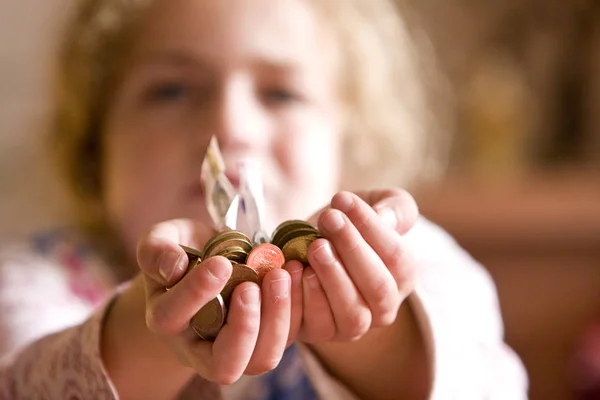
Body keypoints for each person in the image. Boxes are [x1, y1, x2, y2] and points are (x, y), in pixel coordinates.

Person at [0, 0, 528, 398]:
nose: (230, 126)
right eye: (172, 90)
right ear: (95, 148)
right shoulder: (38, 277)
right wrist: (146, 331)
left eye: (281, 94)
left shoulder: (415, 261)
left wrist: (376, 340)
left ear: (351, 144)